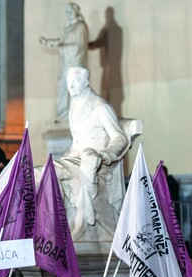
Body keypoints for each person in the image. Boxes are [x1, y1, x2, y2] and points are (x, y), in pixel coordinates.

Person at [51, 66, 132, 239]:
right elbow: (77, 141)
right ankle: (56, 224)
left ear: (86, 82)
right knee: (41, 173)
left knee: (79, 171)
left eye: (75, 81)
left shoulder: (100, 107)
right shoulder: (73, 104)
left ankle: (86, 223)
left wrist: (104, 155)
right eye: (68, 82)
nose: (71, 86)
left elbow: (120, 138)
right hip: (73, 158)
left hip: (94, 161)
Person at [39, 2, 89, 123]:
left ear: (76, 11)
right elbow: (60, 41)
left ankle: (73, 115)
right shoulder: (68, 28)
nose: (68, 14)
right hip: (67, 62)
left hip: (75, 62)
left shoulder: (81, 26)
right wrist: (47, 42)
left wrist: (61, 46)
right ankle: (62, 115)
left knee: (75, 88)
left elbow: (79, 46)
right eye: (67, 12)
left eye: (70, 11)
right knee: (62, 87)